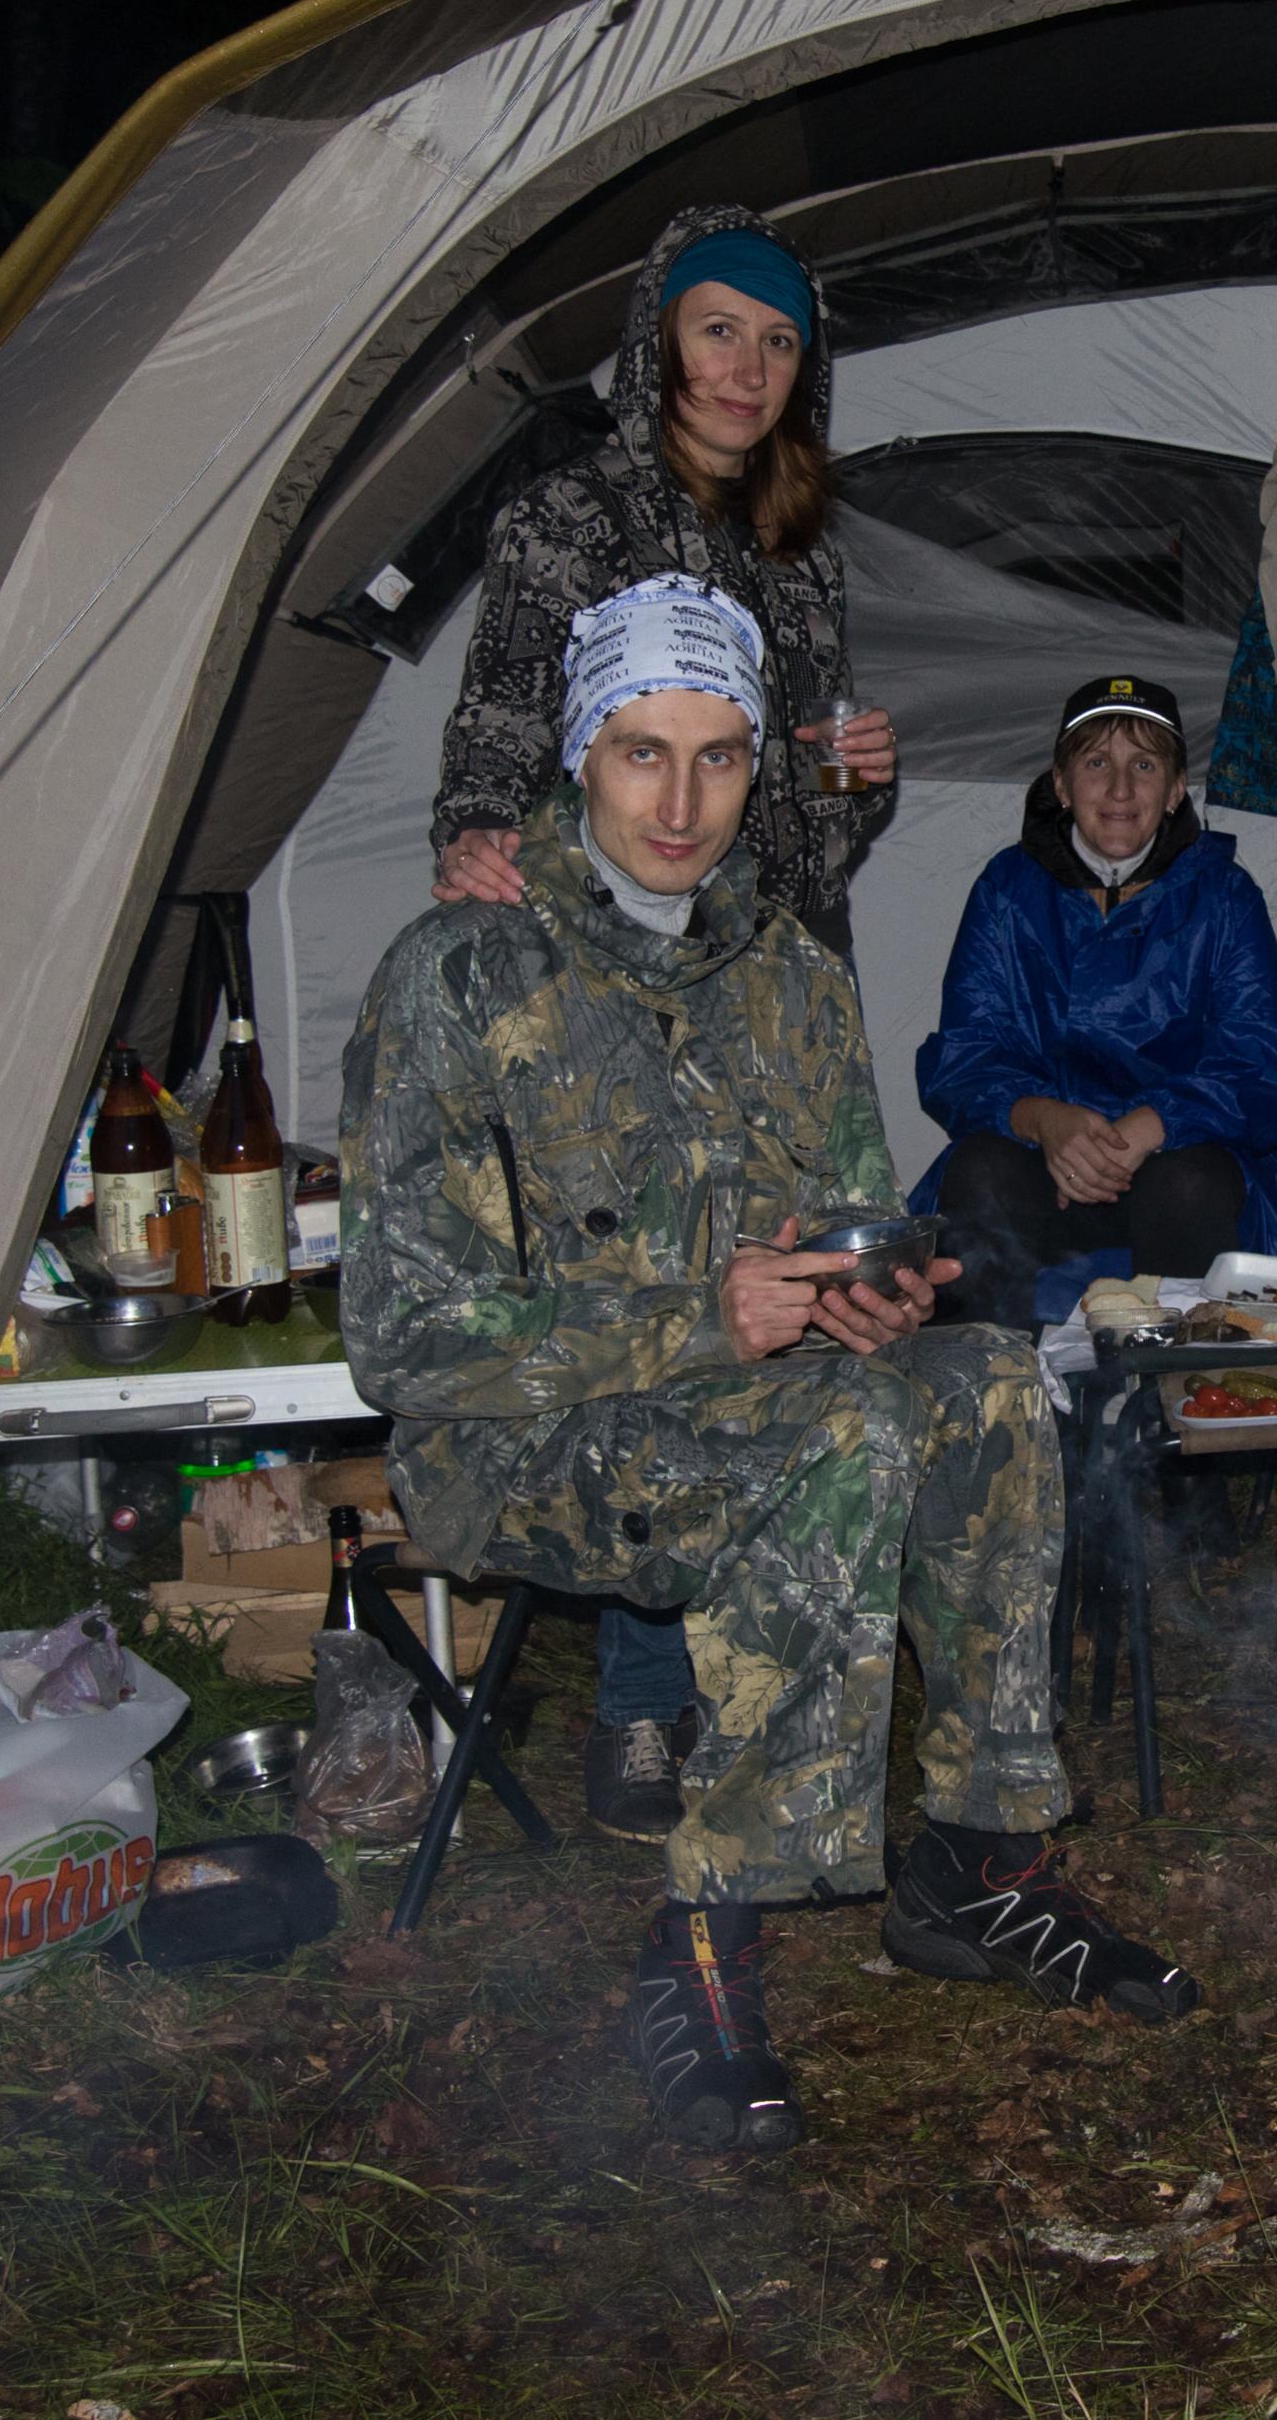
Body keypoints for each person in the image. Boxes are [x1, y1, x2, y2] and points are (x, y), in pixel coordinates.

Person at [342, 580, 1195, 2155]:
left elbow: (843, 1225)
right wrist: (702, 1315)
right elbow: (404, 1338)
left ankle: (975, 1859)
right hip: (525, 1439)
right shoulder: (460, 974)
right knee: (841, 1436)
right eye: (641, 752)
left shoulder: (790, 974)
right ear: (580, 753)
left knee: (991, 1379)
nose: (680, 802)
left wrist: (874, 1295)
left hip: (766, 1390)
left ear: (758, 766)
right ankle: (703, 1933)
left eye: (720, 755)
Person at [423, 206, 902, 1848]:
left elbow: (808, 831)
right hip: (620, 986)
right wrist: (474, 841)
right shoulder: (572, 514)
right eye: (717, 332)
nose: (744, 369)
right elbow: (499, 724)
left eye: (775, 344)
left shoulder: (801, 549)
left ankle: (776, 1659)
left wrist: (854, 782)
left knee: (791, 1302)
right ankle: (641, 1698)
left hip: (773, 987)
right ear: (656, 341)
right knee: (666, 1309)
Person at [912, 676, 1277, 1323]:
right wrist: (1044, 1119)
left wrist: (1152, 1125)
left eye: (1143, 765)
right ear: (1062, 786)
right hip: (1046, 1160)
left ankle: (1179, 1381)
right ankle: (990, 1376)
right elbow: (964, 1055)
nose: (1120, 790)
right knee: (980, 1172)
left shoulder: (1223, 897)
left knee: (1187, 1184)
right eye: (1097, 763)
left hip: (1180, 1154)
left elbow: (1264, 1070)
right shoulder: (1007, 891)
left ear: (1175, 790)